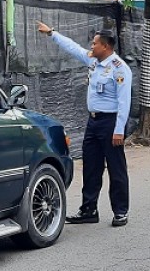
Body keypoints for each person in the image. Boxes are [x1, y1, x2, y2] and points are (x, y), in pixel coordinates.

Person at [37, 22, 133, 227]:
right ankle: (89, 209)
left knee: (116, 169)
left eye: (95, 43)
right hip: (94, 122)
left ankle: (120, 211)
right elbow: (73, 48)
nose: (91, 46)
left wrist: (119, 130)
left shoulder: (119, 68)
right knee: (90, 167)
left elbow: (124, 102)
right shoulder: (93, 61)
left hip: (111, 123)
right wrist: (52, 33)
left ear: (105, 47)